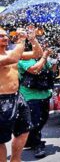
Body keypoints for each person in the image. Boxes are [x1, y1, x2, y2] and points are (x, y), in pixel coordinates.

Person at [0, 27, 42, 162]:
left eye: (6, 35)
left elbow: (37, 54)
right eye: (1, 36)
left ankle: (15, 160)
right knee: (0, 139)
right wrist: (22, 40)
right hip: (1, 100)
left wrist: (33, 39)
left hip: (17, 97)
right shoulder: (11, 55)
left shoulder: (11, 52)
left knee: (24, 131)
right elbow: (13, 58)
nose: (5, 38)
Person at [18, 40, 55, 158]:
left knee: (44, 119)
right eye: (39, 46)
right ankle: (37, 144)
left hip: (43, 94)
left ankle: (30, 140)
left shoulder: (41, 57)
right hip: (29, 96)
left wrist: (54, 60)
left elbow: (51, 70)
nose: (42, 47)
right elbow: (35, 69)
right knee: (35, 121)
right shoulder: (24, 58)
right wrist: (44, 56)